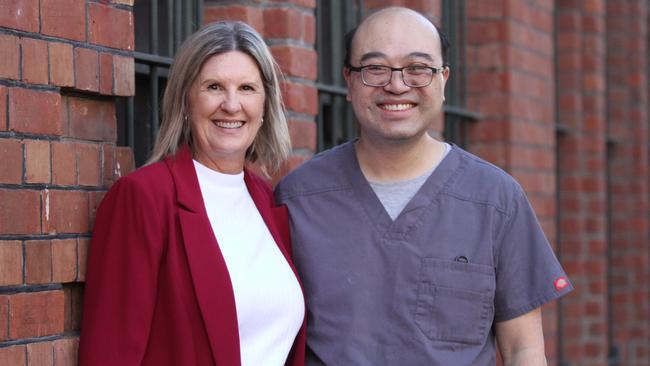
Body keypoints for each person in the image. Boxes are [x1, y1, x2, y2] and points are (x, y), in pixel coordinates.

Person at [275, 7, 572, 366]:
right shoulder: (297, 199)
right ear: (349, 82)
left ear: (443, 79)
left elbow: (523, 350)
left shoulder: (495, 199)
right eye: (375, 69)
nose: (397, 84)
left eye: (418, 68)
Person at [79, 21, 306, 366]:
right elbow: (111, 352)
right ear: (186, 99)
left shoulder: (266, 198)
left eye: (247, 88)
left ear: (264, 107)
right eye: (214, 87)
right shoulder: (144, 197)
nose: (231, 105)